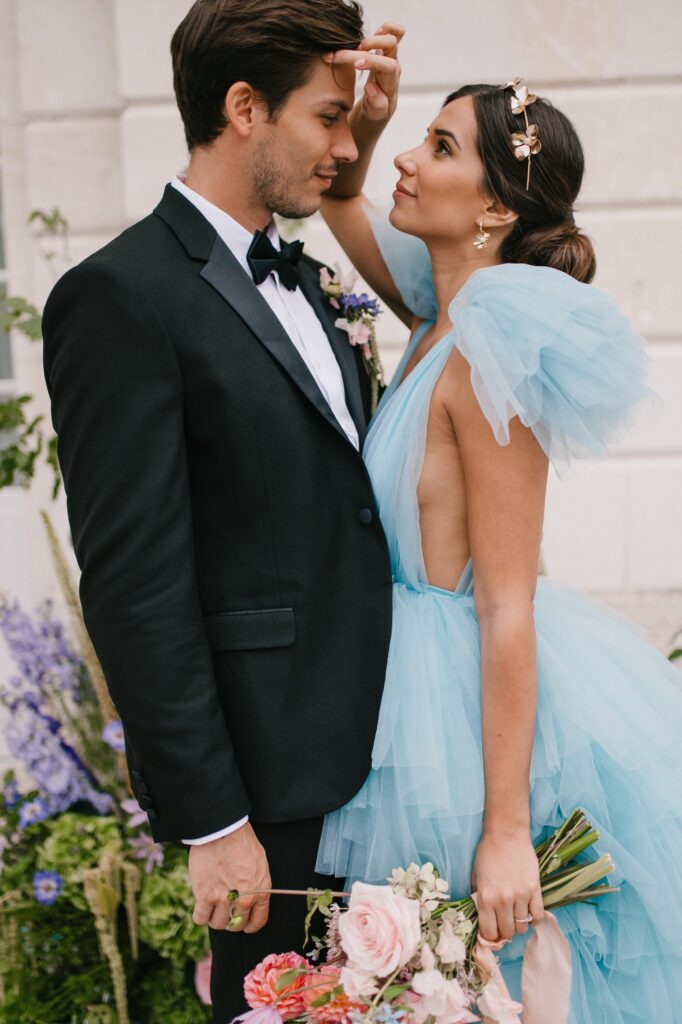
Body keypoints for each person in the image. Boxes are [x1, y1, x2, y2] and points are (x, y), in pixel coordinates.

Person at [41, 2, 404, 1019]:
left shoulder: (311, 276)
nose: (345, 146)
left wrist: (362, 131)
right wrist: (213, 823)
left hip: (381, 767)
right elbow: (133, 584)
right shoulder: (118, 296)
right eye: (328, 119)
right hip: (268, 795)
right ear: (244, 107)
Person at [313, 54, 682, 1022]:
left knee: (493, 984)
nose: (405, 158)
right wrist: (361, 114)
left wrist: (506, 831)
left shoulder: (486, 350)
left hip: (458, 717)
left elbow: (506, 597)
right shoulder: (438, 317)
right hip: (399, 687)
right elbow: (344, 203)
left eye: (438, 147)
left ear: (491, 211)